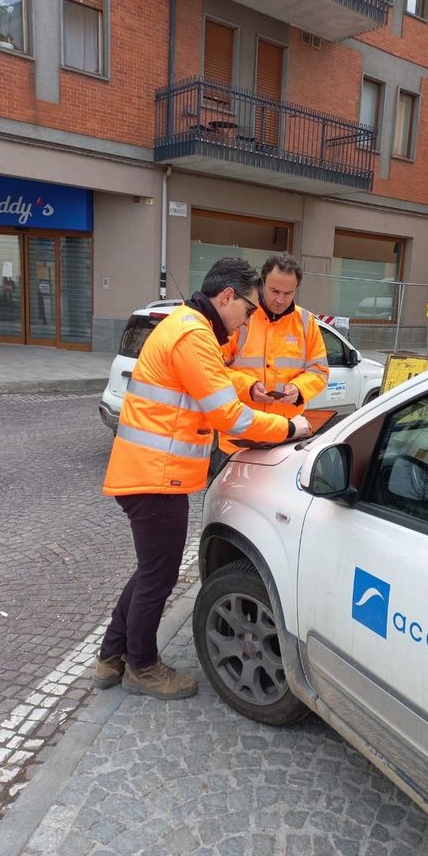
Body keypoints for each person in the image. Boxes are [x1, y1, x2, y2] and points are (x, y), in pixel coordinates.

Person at [93, 257, 312, 700]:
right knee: (158, 576)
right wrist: (290, 428)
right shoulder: (194, 334)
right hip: (155, 478)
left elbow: (215, 379)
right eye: (248, 309)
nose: (249, 318)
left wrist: (249, 387)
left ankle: (110, 656)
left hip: (149, 473)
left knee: (149, 571)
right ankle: (141, 666)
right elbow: (227, 418)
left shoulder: (189, 326)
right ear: (227, 297)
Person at [215, 253, 328, 463]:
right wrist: (248, 387)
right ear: (262, 282)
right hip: (240, 440)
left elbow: (319, 371)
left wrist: (299, 389)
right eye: (274, 290)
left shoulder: (306, 322)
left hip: (287, 439)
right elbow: (215, 369)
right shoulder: (240, 316)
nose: (280, 299)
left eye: (288, 293)